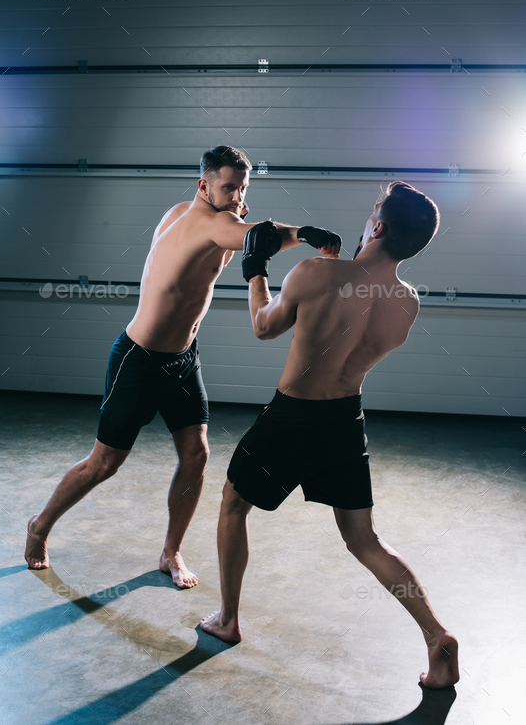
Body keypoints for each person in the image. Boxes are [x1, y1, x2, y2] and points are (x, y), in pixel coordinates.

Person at [24, 145, 340, 587]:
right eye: (228, 186)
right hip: (140, 359)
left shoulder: (193, 212)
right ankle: (39, 526)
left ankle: (171, 552)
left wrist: (284, 228)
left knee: (196, 455)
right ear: (204, 184)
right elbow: (258, 238)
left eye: (242, 188)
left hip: (182, 359)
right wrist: (304, 232)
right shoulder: (206, 222)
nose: (235, 195)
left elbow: (250, 231)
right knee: (105, 463)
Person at [201, 181, 460, 689]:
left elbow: (263, 326)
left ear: (379, 226)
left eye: (373, 211)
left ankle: (228, 620)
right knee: (364, 539)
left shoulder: (316, 271)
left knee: (234, 503)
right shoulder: (407, 303)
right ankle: (435, 634)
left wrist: (256, 272)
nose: (369, 217)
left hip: (293, 415)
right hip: (345, 422)